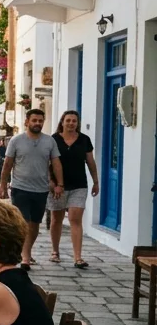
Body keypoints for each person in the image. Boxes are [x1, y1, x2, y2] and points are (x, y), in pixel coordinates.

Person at [0, 109, 63, 270]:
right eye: (34, 120)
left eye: (40, 121)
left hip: (41, 189)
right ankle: (25, 258)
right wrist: (2, 184)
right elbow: (7, 164)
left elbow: (56, 164)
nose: (37, 123)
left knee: (35, 224)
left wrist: (60, 184)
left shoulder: (49, 142)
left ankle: (27, 251)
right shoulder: (16, 140)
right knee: (24, 222)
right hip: (20, 187)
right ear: (27, 122)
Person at [48, 110, 99, 269]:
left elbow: (90, 162)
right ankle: (55, 251)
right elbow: (46, 164)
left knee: (75, 219)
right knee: (56, 219)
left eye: (74, 121)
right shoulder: (53, 140)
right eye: (68, 120)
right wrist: (51, 183)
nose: (71, 123)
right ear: (62, 122)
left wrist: (96, 181)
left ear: (78, 123)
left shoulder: (84, 140)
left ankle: (78, 257)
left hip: (79, 185)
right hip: (57, 187)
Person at [0, 126, 12, 193]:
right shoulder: (1, 147)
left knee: (6, 175)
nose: (1, 142)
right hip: (1, 162)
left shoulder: (8, 148)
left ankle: (4, 187)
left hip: (4, 162)